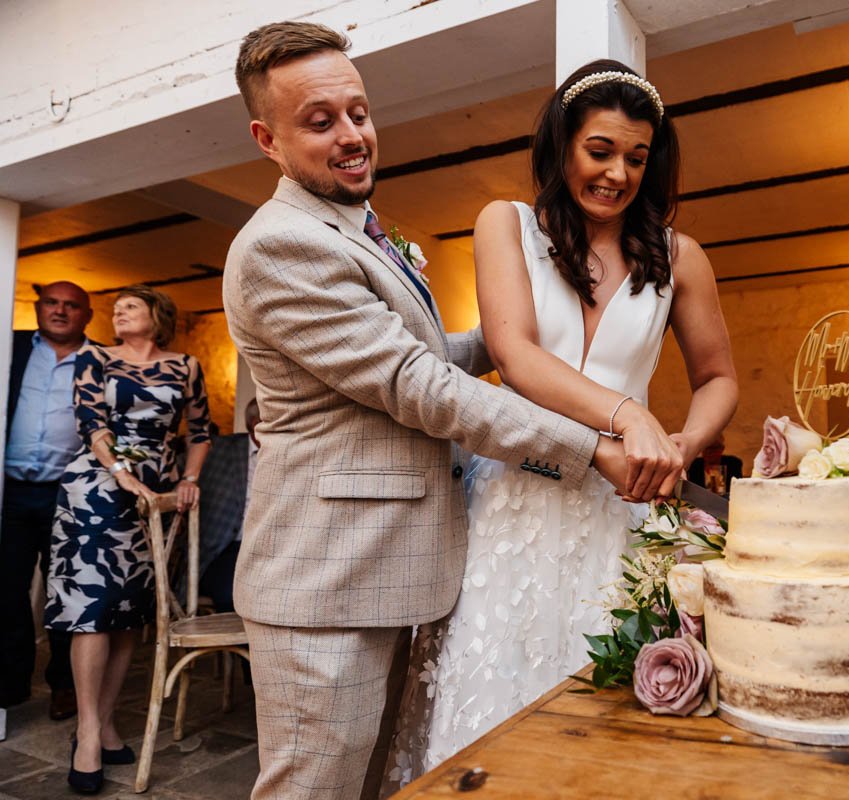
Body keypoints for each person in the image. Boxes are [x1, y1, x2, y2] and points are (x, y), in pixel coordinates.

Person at [223, 23, 662, 800]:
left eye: (357, 112)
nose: (353, 135)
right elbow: (417, 387)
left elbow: (428, 361)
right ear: (267, 138)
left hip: (391, 571)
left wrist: (511, 334)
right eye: (319, 122)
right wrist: (596, 444)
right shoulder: (281, 246)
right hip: (326, 583)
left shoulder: (355, 230)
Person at [391, 58, 738, 780]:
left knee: (607, 702)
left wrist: (679, 444)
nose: (617, 173)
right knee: (493, 694)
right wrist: (626, 412)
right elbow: (514, 355)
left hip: (623, 507)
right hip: (514, 502)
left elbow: (717, 379)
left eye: (637, 158)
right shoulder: (506, 226)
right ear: (561, 145)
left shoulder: (681, 258)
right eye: (600, 150)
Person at [44, 285, 212, 794]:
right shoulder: (93, 357)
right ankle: (89, 734)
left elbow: (201, 432)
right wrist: (121, 473)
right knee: (91, 612)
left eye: (130, 306)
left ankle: (107, 721)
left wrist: (189, 480)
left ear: (157, 316)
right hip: (95, 490)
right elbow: (91, 423)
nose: (118, 312)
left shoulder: (186, 365)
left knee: (127, 614)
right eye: (115, 308)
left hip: (156, 497)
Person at [1, 282, 91, 723]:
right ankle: (10, 685)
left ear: (86, 315)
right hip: (10, 491)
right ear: (37, 308)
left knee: (65, 592)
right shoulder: (10, 345)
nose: (60, 311)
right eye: (52, 303)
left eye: (71, 305)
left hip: (69, 493)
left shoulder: (100, 361)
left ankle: (64, 686)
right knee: (6, 590)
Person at [197, 399, 261, 615]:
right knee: (233, 593)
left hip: (270, 549)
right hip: (226, 548)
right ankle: (241, 649)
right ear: (255, 423)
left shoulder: (288, 455)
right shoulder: (220, 449)